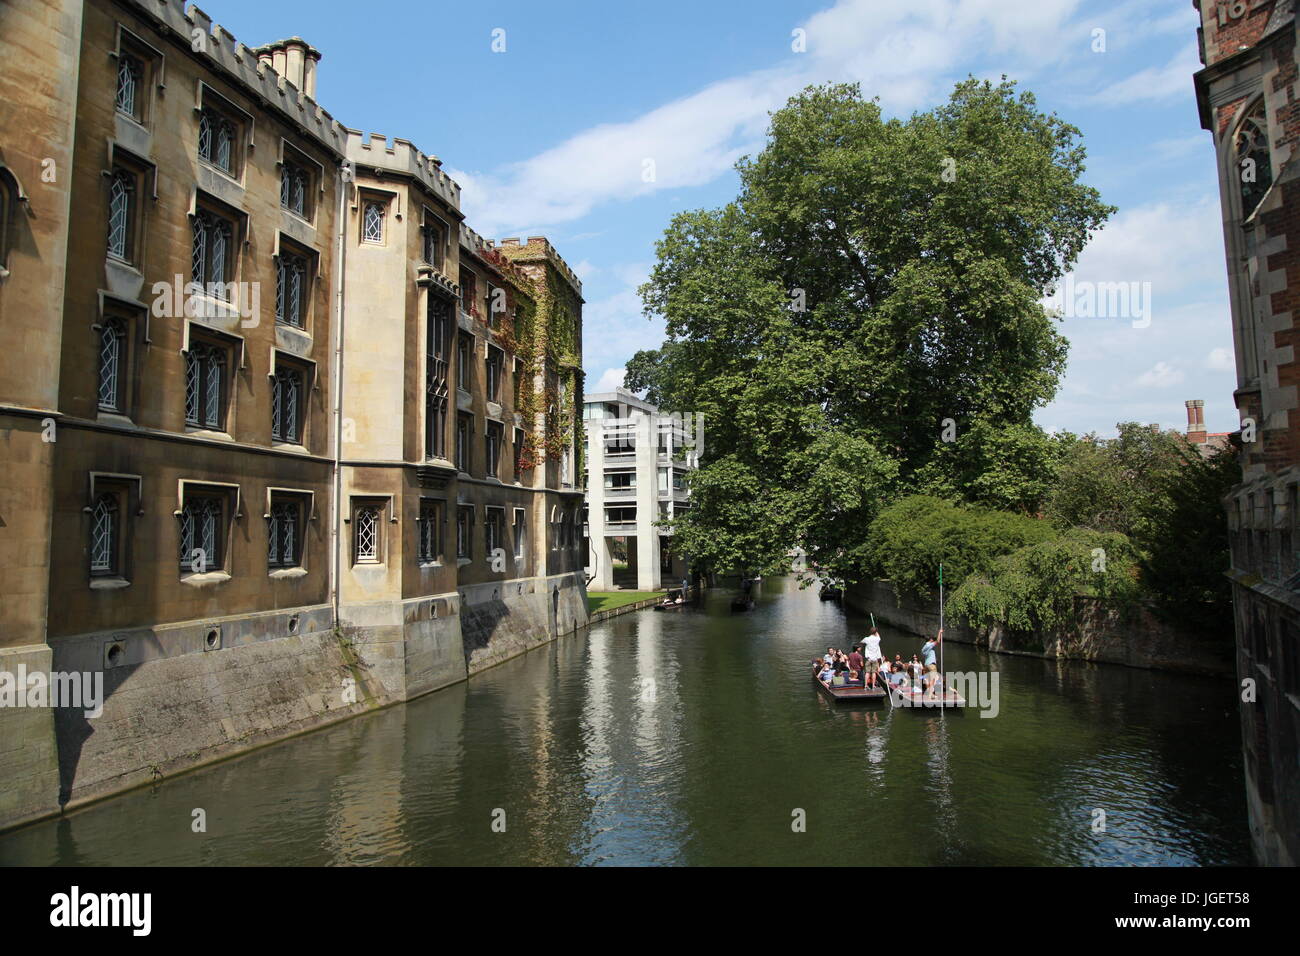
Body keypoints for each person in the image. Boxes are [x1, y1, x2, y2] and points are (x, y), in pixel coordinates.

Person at [922, 627, 943, 692]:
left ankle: (928, 692)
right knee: (933, 679)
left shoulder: (924, 648)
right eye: (932, 639)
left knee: (927, 679)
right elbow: (938, 641)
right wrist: (939, 632)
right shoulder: (930, 645)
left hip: (926, 665)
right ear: (930, 639)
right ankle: (931, 693)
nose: (933, 640)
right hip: (931, 665)